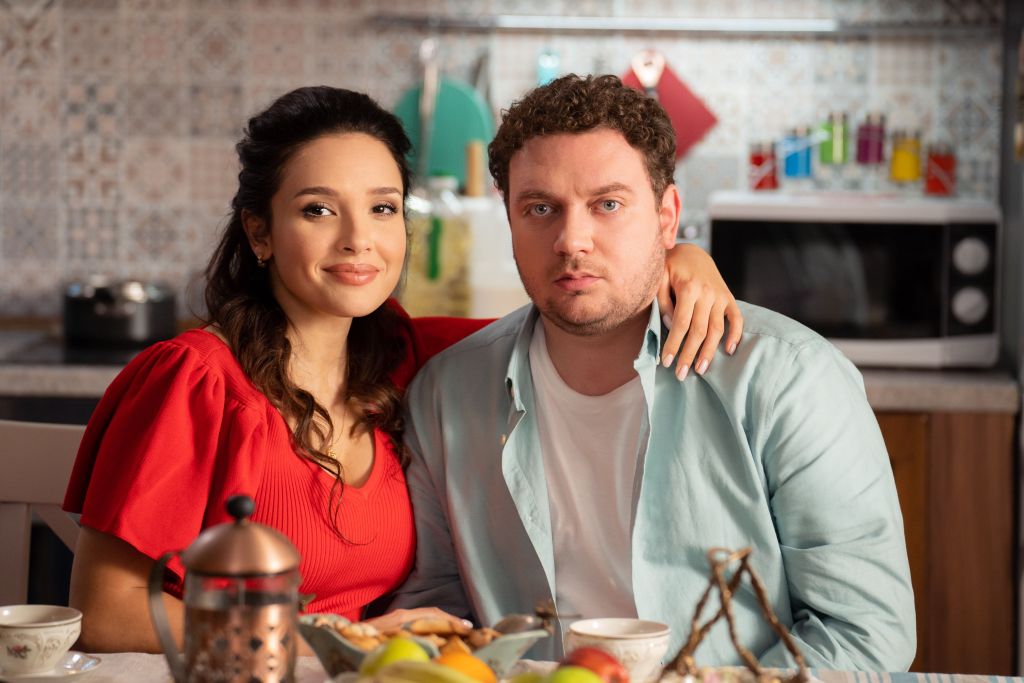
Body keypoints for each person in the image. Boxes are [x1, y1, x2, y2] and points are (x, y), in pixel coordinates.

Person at [62, 85, 743, 653]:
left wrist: (678, 259)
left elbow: (577, 319)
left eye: (382, 208)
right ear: (259, 231)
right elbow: (106, 611)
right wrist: (330, 638)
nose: (358, 239)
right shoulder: (195, 381)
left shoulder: (407, 358)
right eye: (318, 209)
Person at [391, 74, 916, 673]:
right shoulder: (445, 394)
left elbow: (865, 634)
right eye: (540, 208)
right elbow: (437, 614)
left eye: (608, 205)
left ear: (667, 217)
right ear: (509, 219)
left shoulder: (789, 380)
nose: (572, 240)